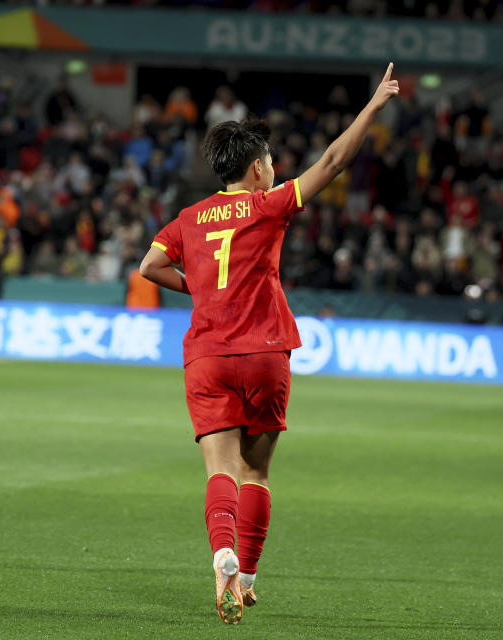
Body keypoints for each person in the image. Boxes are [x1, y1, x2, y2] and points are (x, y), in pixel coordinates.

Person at [138, 63, 399, 625]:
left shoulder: (189, 217)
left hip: (206, 356)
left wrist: (198, 288)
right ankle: (248, 575)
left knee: (219, 471)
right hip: (264, 353)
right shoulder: (268, 205)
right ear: (258, 169)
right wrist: (373, 107)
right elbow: (332, 162)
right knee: (256, 472)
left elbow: (149, 265)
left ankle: (222, 554)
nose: (275, 169)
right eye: (272, 163)